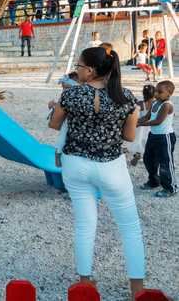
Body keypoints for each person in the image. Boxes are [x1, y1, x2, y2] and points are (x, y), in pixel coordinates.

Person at [48, 47, 144, 298]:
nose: (77, 70)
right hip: (111, 165)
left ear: (90, 71)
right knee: (130, 227)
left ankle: (85, 282)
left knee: (84, 224)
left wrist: (56, 107)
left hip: (76, 164)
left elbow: (54, 124)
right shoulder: (126, 97)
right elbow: (129, 136)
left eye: (79, 66)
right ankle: (137, 289)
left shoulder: (71, 95)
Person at [139, 80, 177, 198]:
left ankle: (170, 188)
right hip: (153, 136)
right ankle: (154, 181)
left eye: (159, 92)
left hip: (165, 137)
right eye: (156, 90)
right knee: (148, 159)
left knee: (165, 163)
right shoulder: (155, 103)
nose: (156, 93)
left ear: (168, 94)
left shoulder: (167, 105)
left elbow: (157, 121)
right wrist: (135, 122)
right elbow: (146, 117)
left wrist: (139, 124)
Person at [49, 72, 79, 167]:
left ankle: (61, 157)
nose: (64, 91)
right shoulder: (66, 97)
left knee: (65, 141)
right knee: (62, 140)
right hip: (66, 127)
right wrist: (54, 107)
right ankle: (59, 159)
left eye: (67, 88)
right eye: (63, 88)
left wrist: (56, 108)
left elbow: (54, 123)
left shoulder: (77, 99)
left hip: (74, 128)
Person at [126, 85, 155, 166]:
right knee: (147, 143)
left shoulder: (140, 103)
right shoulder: (155, 104)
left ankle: (137, 155)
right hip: (150, 127)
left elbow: (132, 113)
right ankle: (150, 157)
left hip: (140, 128)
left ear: (143, 94)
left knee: (138, 142)